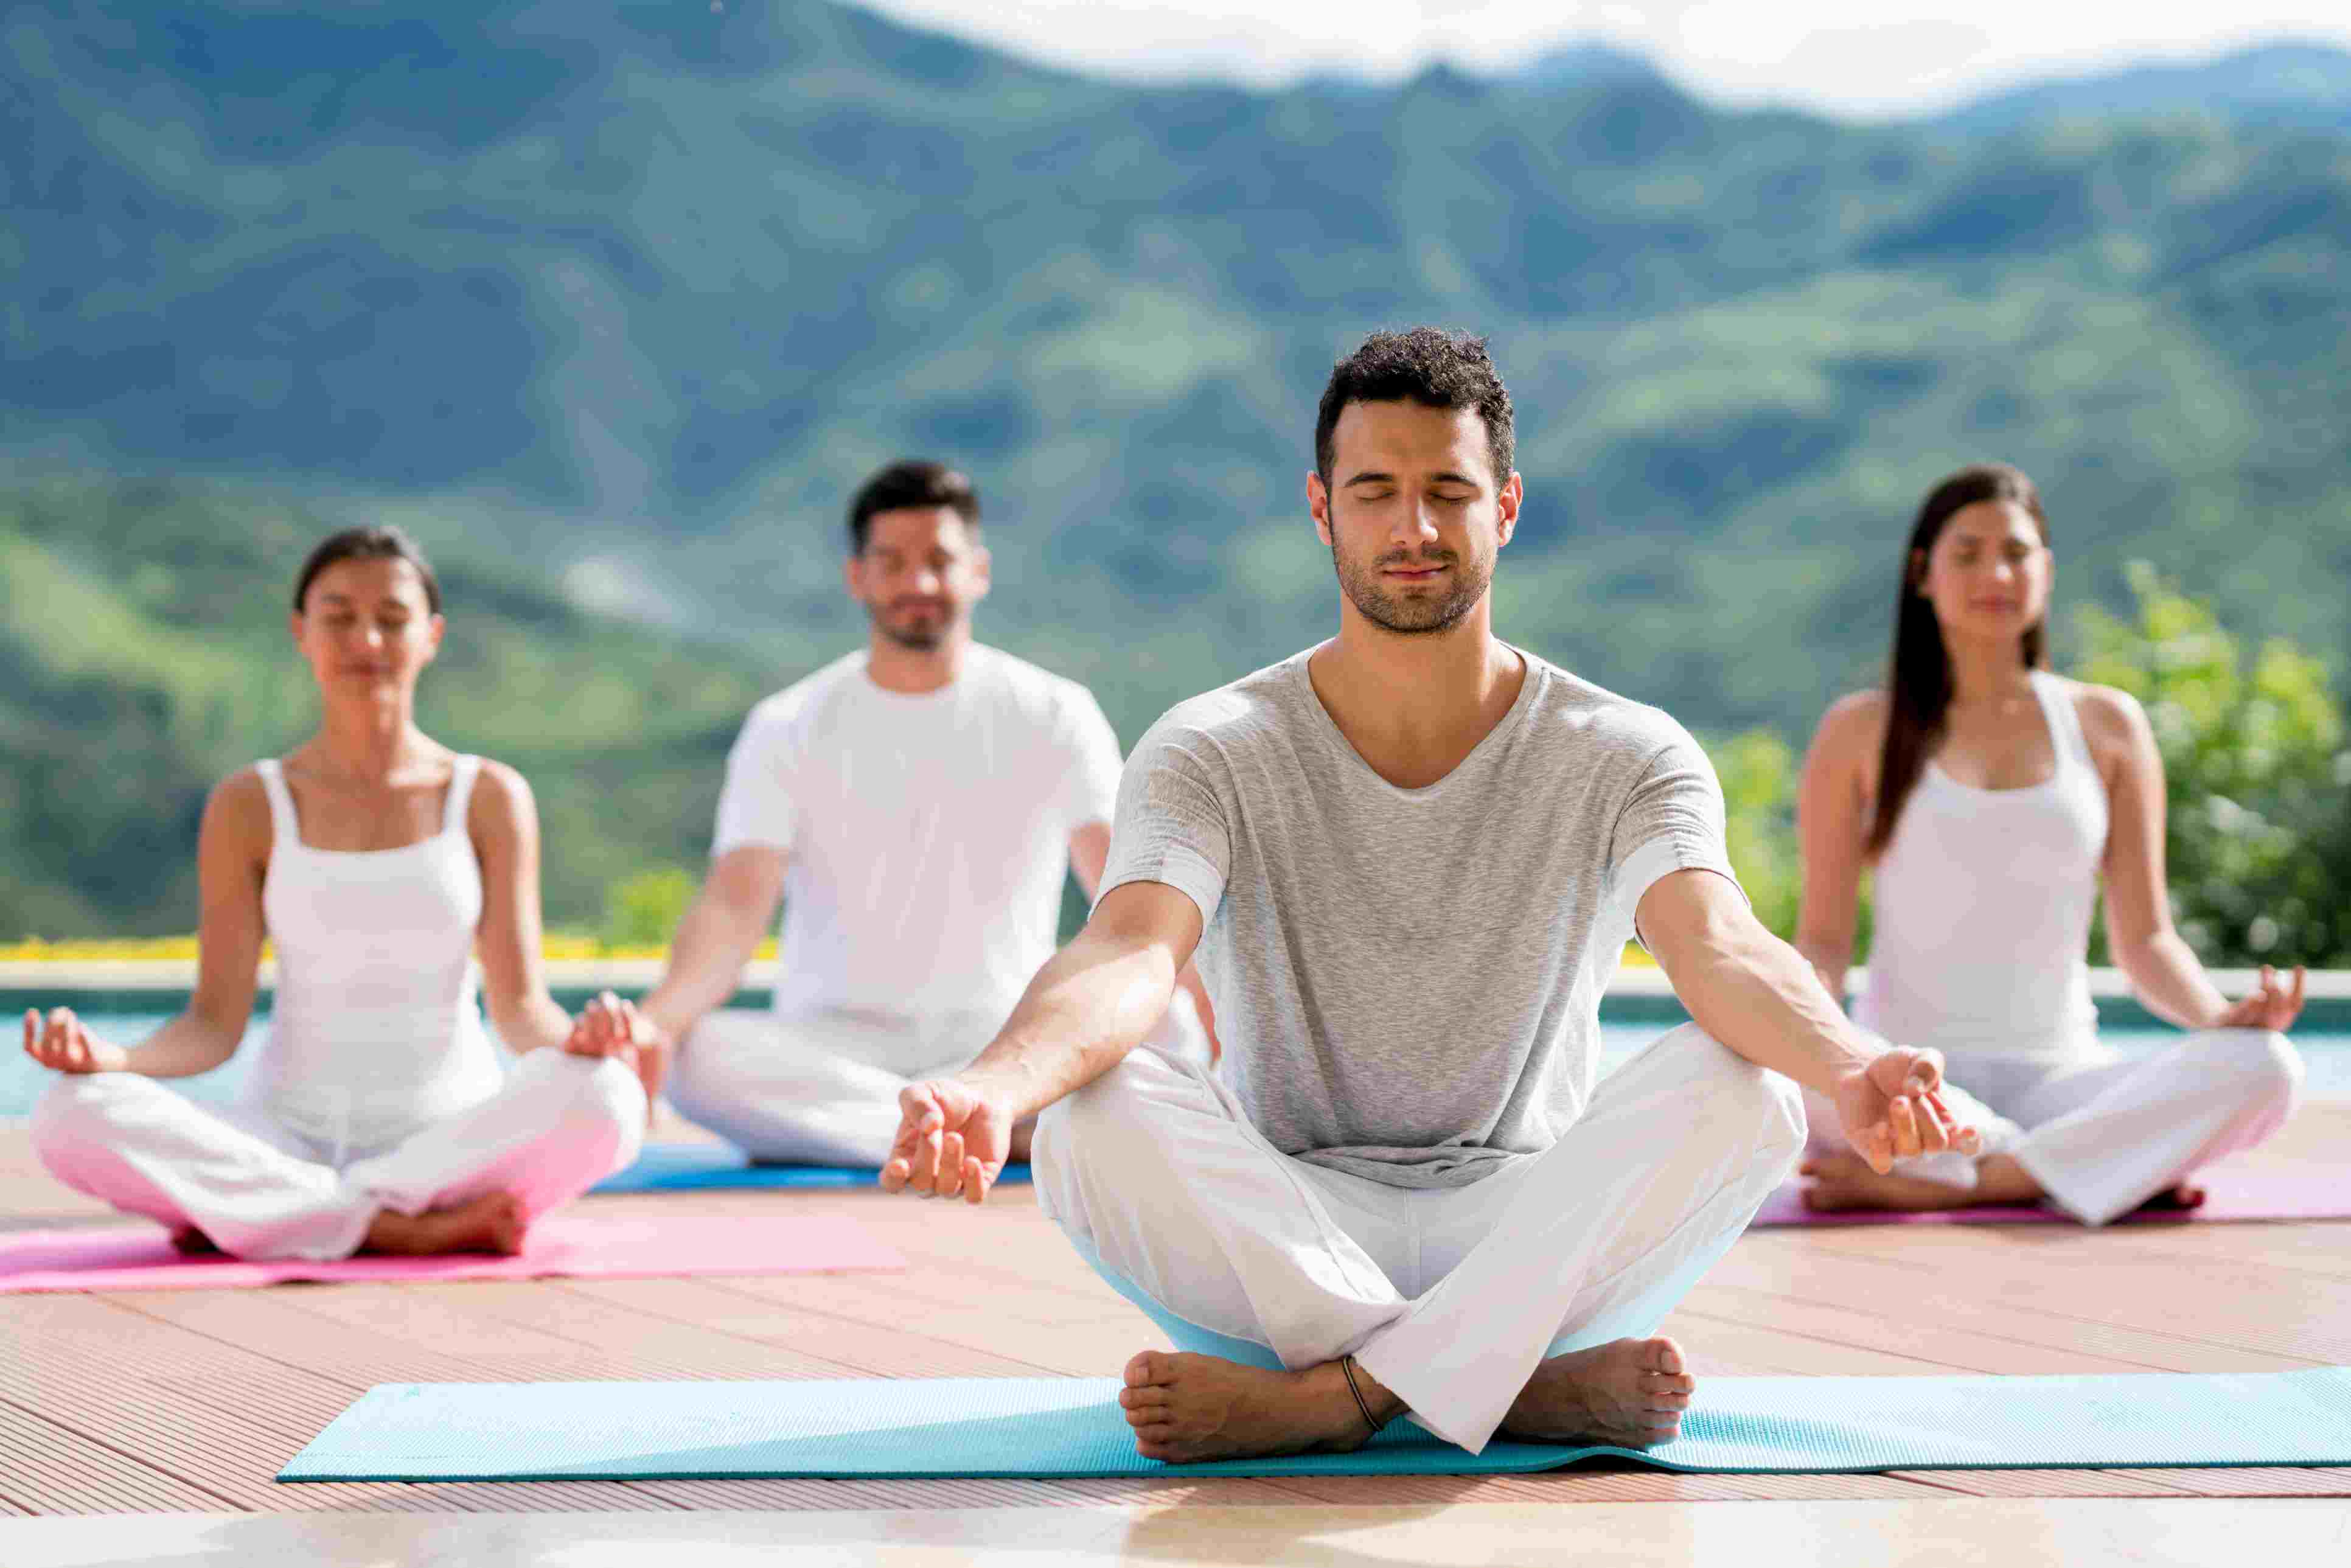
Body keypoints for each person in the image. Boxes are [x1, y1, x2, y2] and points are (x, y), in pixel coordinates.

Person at [872, 330, 1976, 1463]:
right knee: (1087, 1117)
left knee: (1751, 1092)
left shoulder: (1625, 749)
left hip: (1528, 1232)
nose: (1413, 529)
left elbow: (1718, 945)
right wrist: (994, 1086)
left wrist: (1850, 1062)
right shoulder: (1211, 745)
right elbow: (1128, 950)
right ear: (1321, 509)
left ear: (1505, 507)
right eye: (1375, 493)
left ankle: (1336, 1400)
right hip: (1286, 1235)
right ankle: (1505, 1389)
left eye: (1448, 492)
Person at [21, 526, 646, 1261]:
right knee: (70, 1112)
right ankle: (392, 1226)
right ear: (302, 632)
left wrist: (581, 1044)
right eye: (340, 616)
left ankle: (276, 1213)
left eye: (392, 618)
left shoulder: (488, 797)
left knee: (610, 1097)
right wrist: (114, 1059)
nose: (366, 640)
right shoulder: (251, 803)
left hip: (447, 1142)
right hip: (285, 1135)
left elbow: (521, 1009)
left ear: (432, 635)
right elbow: (212, 1025)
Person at [570, 460, 1213, 1165]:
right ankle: (985, 1126)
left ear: (978, 571)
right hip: (835, 1042)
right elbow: (734, 904)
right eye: (893, 563)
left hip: (1007, 1037)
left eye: (940, 561)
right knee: (698, 1057)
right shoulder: (788, 724)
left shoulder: (1055, 711)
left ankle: (949, 1117)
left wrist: (1217, 1020)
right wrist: (658, 1025)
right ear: (859, 577)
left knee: (1171, 1027)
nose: (919, 584)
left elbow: (1128, 896)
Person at [1792, 462, 2305, 1225]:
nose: (1995, 574)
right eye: (1968, 554)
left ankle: (1975, 1178)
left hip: (2063, 1080)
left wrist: (2218, 1020)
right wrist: (1808, 1039)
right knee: (1767, 1069)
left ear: (2047, 571)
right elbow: (1825, 941)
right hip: (1911, 1077)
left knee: (2266, 1068)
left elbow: (2147, 942)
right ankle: (2071, 1167)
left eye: (2016, 553)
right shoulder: (1860, 730)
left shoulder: (2108, 726)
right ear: (1923, 574)